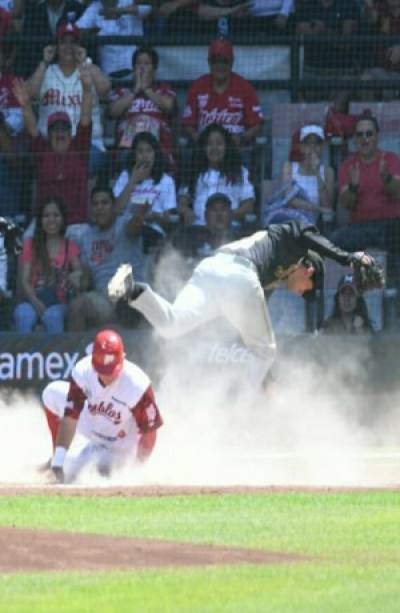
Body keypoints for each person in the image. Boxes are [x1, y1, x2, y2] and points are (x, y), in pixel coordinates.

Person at [107, 220, 379, 391]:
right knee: (266, 350)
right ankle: (238, 418)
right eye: (307, 290)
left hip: (211, 269)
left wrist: (266, 377)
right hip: (239, 273)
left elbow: (250, 334)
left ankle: (135, 290)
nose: (300, 294)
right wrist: (347, 258)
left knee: (171, 325)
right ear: (308, 270)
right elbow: (305, 231)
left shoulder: (270, 277)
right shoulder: (288, 244)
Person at [43, 329, 163, 483]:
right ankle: (57, 459)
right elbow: (70, 416)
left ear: (122, 360)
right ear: (93, 362)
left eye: (112, 371)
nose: (107, 376)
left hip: (122, 445)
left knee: (79, 470)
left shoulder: (137, 385)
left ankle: (85, 459)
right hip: (95, 425)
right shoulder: (83, 371)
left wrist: (135, 471)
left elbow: (149, 434)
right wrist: (57, 463)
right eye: (102, 371)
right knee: (51, 392)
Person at [26, 22, 111, 175]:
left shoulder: (88, 69)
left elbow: (105, 88)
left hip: (89, 145)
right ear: (56, 46)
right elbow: (29, 93)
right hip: (49, 144)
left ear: (80, 46)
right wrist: (44, 61)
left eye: (73, 42)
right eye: (63, 42)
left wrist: (86, 62)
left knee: (73, 167)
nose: (68, 47)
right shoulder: (46, 71)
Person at [13, 66, 93, 224]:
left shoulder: (79, 148)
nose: (60, 133)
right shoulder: (42, 150)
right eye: (55, 129)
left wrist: (87, 89)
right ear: (49, 135)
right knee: (28, 238)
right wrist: (25, 105)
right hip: (46, 226)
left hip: (76, 224)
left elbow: (85, 117)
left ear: (71, 133)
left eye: (64, 128)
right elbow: (32, 129)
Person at [330, 110, 400, 289]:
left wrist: (386, 178)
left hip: (391, 225)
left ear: (377, 136)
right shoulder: (348, 165)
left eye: (369, 133)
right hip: (360, 228)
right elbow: (346, 203)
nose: (364, 138)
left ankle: (394, 297)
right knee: (333, 242)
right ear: (355, 139)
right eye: (360, 134)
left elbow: (398, 191)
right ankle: (348, 295)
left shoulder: (391, 159)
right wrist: (353, 187)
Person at [66, 185, 145, 331]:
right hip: (103, 299)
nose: (100, 208)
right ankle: (77, 352)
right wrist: (78, 277)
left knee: (130, 300)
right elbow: (86, 277)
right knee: (77, 306)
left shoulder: (124, 224)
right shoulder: (86, 236)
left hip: (130, 294)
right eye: (95, 204)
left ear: (114, 206)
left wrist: (140, 215)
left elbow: (134, 226)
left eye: (104, 203)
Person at [14, 197, 82, 333]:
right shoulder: (30, 244)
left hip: (59, 303)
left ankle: (56, 354)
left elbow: (79, 271)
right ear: (40, 220)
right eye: (46, 216)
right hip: (31, 300)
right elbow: (24, 279)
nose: (51, 220)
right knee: (23, 315)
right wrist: (34, 301)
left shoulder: (70, 246)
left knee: (53, 317)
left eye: (56, 215)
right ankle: (26, 353)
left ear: (63, 219)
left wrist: (76, 275)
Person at [182, 37, 263, 149]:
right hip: (206, 148)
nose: (220, 66)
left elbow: (257, 124)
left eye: (224, 61)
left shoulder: (244, 87)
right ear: (209, 62)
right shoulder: (198, 86)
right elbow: (188, 124)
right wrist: (199, 139)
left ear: (232, 62)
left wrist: (242, 138)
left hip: (235, 148)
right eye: (215, 61)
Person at [108, 45, 178, 171]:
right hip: (128, 149)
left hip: (158, 147)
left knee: (144, 120)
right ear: (134, 68)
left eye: (147, 63)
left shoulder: (164, 90)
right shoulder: (122, 91)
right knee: (139, 121)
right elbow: (113, 111)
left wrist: (146, 89)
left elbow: (169, 107)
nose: (142, 67)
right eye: (138, 63)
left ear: (154, 69)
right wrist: (135, 91)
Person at [178, 123, 255, 227]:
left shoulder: (240, 172)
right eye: (209, 144)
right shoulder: (194, 171)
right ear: (203, 148)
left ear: (227, 147)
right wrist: (186, 211)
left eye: (219, 144)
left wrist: (228, 216)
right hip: (199, 228)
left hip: (230, 228)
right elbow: (182, 202)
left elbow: (249, 205)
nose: (214, 148)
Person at [113, 131, 177, 252]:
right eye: (140, 151)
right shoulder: (125, 176)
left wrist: (156, 217)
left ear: (155, 154)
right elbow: (116, 209)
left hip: (152, 230)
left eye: (149, 151)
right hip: (125, 230)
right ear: (134, 155)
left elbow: (169, 222)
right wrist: (133, 179)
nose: (145, 156)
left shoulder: (166, 181)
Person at [264, 124, 335, 227]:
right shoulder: (289, 167)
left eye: (317, 144)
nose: (312, 148)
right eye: (308, 144)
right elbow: (289, 199)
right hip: (287, 217)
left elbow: (327, 205)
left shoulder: (328, 172)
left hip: (310, 223)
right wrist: (319, 209)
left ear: (322, 147)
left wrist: (317, 174)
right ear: (301, 147)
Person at [77, 0, 152, 78]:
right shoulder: (95, 7)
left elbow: (147, 9)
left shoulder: (128, 2)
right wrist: (94, 30)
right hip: (108, 72)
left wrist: (119, 11)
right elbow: (77, 30)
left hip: (133, 69)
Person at [19, 0, 85, 77]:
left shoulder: (77, 8)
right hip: (40, 70)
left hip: (73, 71)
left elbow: (84, 43)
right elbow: (27, 48)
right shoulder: (34, 10)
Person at [361, 0, 400, 100]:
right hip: (383, 70)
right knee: (366, 79)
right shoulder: (382, 10)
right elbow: (371, 18)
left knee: (388, 88)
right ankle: (368, 114)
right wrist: (368, 5)